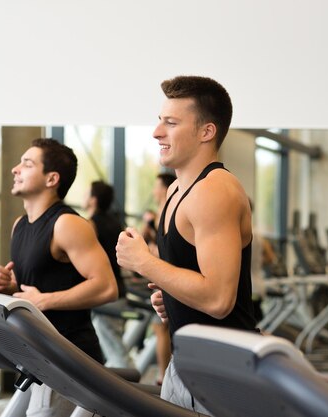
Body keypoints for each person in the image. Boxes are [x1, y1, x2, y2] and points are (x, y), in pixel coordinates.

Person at [116, 75, 256, 414]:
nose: (156, 132)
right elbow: (196, 278)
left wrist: (145, 262)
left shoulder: (214, 191)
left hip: (222, 371)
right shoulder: (177, 192)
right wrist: (173, 296)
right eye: (159, 121)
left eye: (171, 123)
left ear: (206, 132)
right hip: (187, 360)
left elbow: (220, 300)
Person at [0, 138, 118, 417]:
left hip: (69, 359)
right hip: (34, 355)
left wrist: (43, 300)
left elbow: (106, 287)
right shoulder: (20, 225)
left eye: (27, 163)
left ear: (52, 179)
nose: (15, 169)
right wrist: (9, 288)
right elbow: (34, 290)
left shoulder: (67, 224)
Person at [85, 180, 133, 368]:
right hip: (119, 291)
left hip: (105, 295)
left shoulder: (91, 225)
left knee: (117, 353)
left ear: (93, 200)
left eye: (87, 194)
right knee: (114, 349)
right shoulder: (115, 223)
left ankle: (131, 394)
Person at [141, 172, 176, 384]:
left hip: (167, 277)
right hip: (163, 277)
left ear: (164, 189)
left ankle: (164, 375)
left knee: (161, 328)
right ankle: (166, 374)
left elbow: (163, 252)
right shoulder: (161, 214)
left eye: (156, 186)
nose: (154, 190)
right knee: (162, 327)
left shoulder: (167, 212)